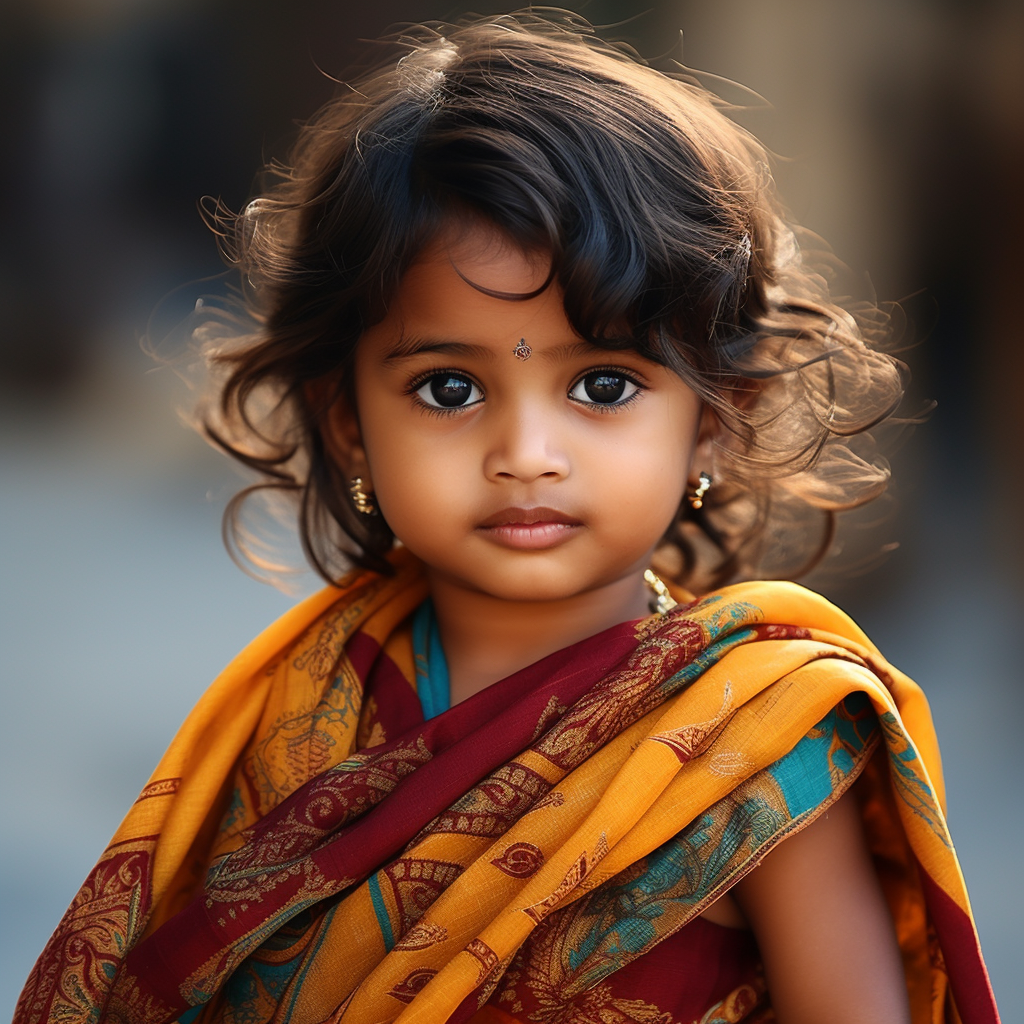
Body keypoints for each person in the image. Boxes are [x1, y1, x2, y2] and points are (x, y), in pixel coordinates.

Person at [15, 11, 1000, 1024]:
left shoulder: (758, 735)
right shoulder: (304, 710)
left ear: (713, 422)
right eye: (448, 389)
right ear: (347, 425)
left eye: (605, 387)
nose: (526, 453)